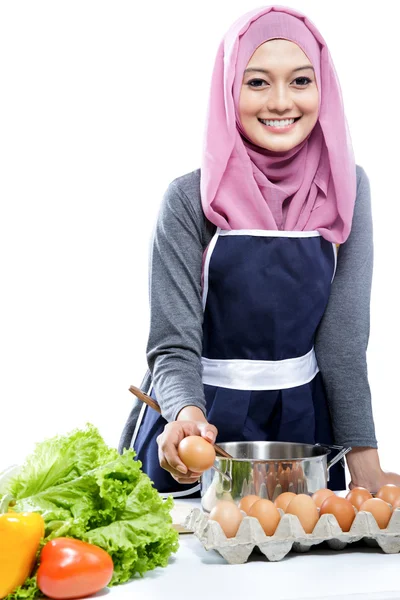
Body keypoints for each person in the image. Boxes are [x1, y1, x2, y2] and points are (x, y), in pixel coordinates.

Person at [119, 5, 400, 496]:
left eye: (299, 81)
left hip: (299, 430)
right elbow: (173, 342)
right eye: (256, 82)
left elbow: (343, 343)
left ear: (323, 88)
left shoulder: (348, 187)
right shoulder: (189, 200)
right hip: (200, 422)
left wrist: (363, 455)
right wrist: (185, 412)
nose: (280, 101)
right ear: (229, 89)